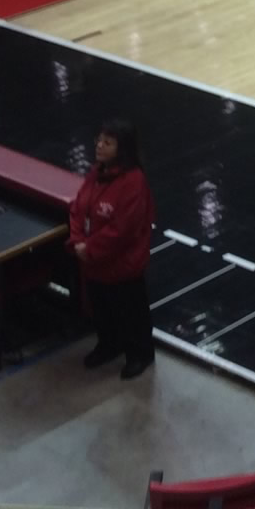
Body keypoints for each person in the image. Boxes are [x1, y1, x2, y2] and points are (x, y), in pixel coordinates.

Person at [70, 118, 156, 380]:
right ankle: (109, 345)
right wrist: (76, 241)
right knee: (102, 310)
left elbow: (123, 230)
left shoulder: (133, 182)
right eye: (99, 140)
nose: (99, 145)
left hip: (122, 266)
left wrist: (89, 248)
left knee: (131, 313)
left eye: (107, 142)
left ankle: (139, 354)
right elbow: (78, 208)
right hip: (95, 263)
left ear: (123, 148)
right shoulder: (97, 173)